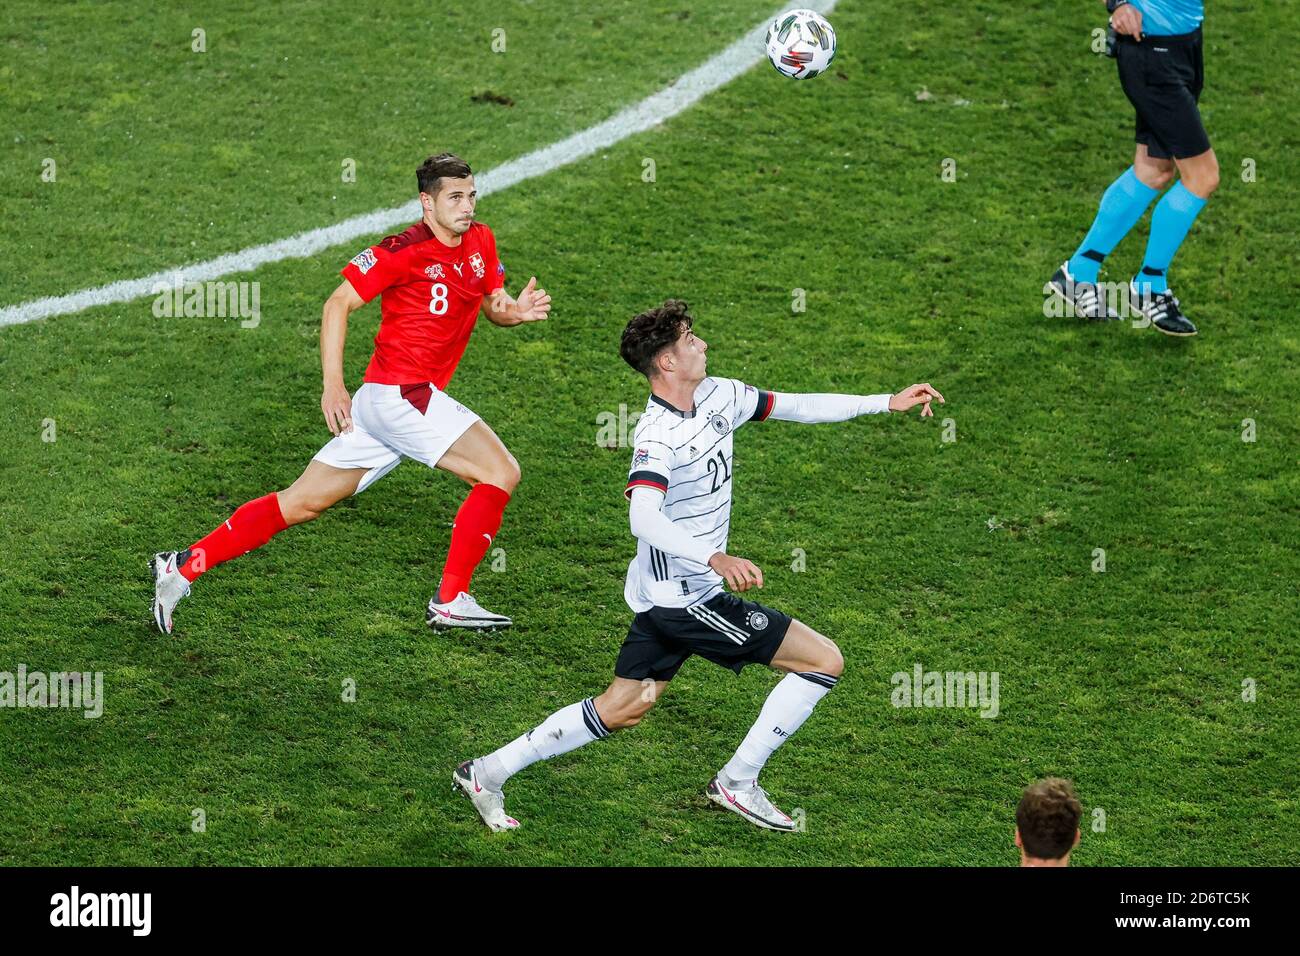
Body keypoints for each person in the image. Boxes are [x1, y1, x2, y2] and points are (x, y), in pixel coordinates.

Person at [453, 299, 944, 831]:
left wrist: (884, 402)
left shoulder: (721, 395)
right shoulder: (656, 437)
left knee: (624, 707)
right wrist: (713, 556)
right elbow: (642, 517)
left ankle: (487, 771)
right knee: (822, 660)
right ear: (666, 363)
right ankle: (736, 783)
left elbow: (794, 405)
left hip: (669, 594)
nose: (702, 344)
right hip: (687, 600)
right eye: (690, 340)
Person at [151, 153, 550, 634]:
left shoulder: (480, 240)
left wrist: (516, 311)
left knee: (302, 502)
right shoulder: (400, 251)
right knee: (500, 471)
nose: (468, 207)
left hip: (392, 405)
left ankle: (182, 566)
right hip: (400, 396)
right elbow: (337, 303)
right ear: (427, 202)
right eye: (456, 198)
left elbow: (493, 301)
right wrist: (332, 385)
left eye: (471, 196)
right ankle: (450, 600)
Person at [1049, 0, 1215, 336]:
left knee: (1154, 169)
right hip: (1152, 55)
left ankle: (1077, 274)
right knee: (1203, 177)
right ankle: (1149, 286)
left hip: (1185, 45)